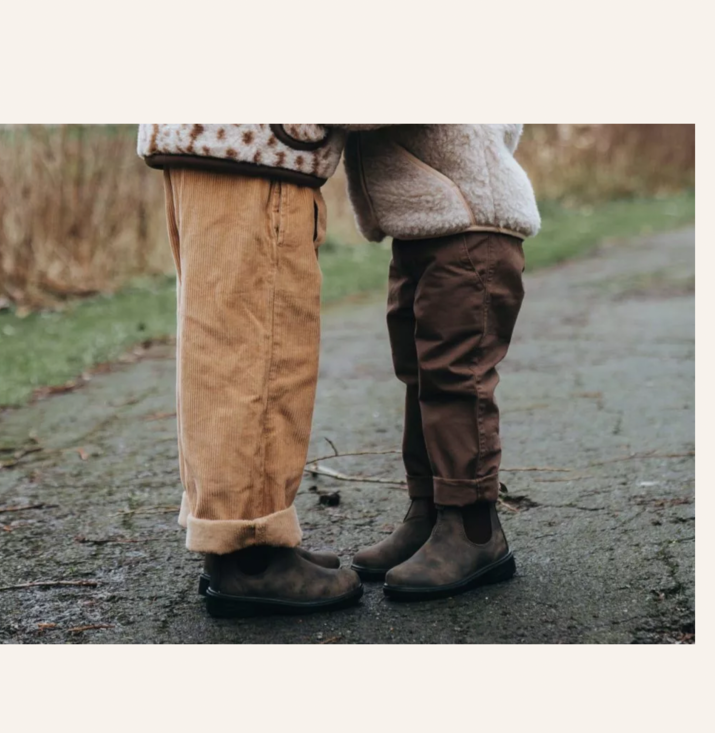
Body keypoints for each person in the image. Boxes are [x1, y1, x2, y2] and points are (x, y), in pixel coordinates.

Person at [137, 124, 363, 617]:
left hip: (212, 138)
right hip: (258, 144)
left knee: (219, 342)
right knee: (262, 347)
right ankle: (252, 550)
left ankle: (236, 541)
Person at [342, 125, 541, 601]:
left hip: (468, 225)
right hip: (423, 224)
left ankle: (472, 527)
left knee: (456, 376)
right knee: (419, 375)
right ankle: (429, 511)